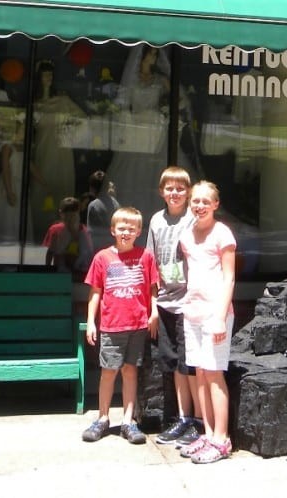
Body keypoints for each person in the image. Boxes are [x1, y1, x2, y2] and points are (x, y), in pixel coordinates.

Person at [82, 207, 160, 445]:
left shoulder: (145, 256)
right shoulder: (102, 258)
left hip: (137, 325)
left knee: (130, 371)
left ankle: (128, 420)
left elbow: (152, 288)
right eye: (121, 228)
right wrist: (91, 322)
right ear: (113, 230)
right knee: (108, 372)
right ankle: (103, 417)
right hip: (112, 325)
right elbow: (95, 292)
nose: (126, 232)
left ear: (138, 231)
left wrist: (154, 312)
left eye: (131, 228)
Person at [104, 44, 197, 230]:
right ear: (142, 57)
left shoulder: (160, 80)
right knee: (133, 171)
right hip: (136, 132)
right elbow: (122, 104)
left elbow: (181, 99)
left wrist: (166, 111)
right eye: (151, 55)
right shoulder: (132, 81)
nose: (154, 59)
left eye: (155, 55)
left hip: (155, 131)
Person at [177, 181, 236, 464]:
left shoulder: (222, 234)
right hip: (193, 312)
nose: (199, 206)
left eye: (204, 201)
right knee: (199, 372)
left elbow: (229, 277)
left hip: (215, 313)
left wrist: (221, 317)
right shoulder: (187, 235)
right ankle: (208, 433)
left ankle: (222, 439)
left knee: (214, 374)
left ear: (215, 204)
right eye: (195, 201)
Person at [147, 166, 202, 446]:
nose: (175, 193)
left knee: (189, 364)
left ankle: (198, 422)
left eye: (180, 188)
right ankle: (183, 418)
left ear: (188, 191)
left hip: (189, 302)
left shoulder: (194, 219)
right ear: (161, 192)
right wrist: (153, 305)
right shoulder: (156, 221)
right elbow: (151, 264)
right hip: (166, 301)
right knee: (173, 365)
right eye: (170, 188)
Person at [30, 59, 85, 242]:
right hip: (43, 151)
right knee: (41, 189)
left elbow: (83, 118)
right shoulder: (35, 104)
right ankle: (40, 234)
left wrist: (69, 131)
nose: (48, 78)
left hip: (62, 152)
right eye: (45, 74)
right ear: (39, 77)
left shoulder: (62, 100)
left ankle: (63, 234)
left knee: (62, 189)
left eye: (50, 74)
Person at [0, 118, 25, 243]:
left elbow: (31, 167)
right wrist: (9, 191)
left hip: (19, 184)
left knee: (16, 217)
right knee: (7, 216)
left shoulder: (23, 148)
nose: (24, 133)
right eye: (22, 130)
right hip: (8, 185)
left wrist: (44, 183)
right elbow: (6, 169)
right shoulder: (7, 146)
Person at [42, 196, 93, 277]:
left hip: (79, 273)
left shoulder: (84, 231)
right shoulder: (55, 230)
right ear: (61, 214)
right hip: (61, 273)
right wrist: (47, 271)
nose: (70, 219)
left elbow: (88, 254)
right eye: (67, 216)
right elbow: (51, 252)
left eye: (73, 215)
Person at [86, 170, 120, 252]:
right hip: (113, 242)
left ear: (92, 188)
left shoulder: (93, 205)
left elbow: (90, 230)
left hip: (98, 245)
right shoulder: (115, 202)